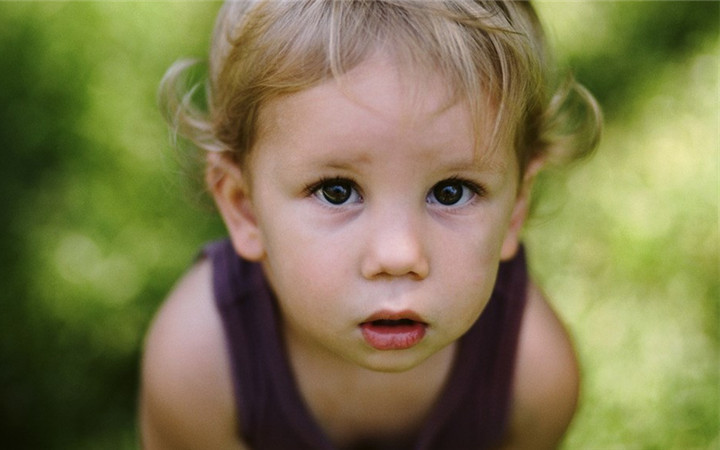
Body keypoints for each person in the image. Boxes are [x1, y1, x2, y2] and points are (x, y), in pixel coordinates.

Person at [139, 1, 601, 448]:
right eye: (336, 191)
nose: (399, 254)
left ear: (515, 209)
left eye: (451, 192)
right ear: (244, 207)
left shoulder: (533, 378)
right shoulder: (198, 368)